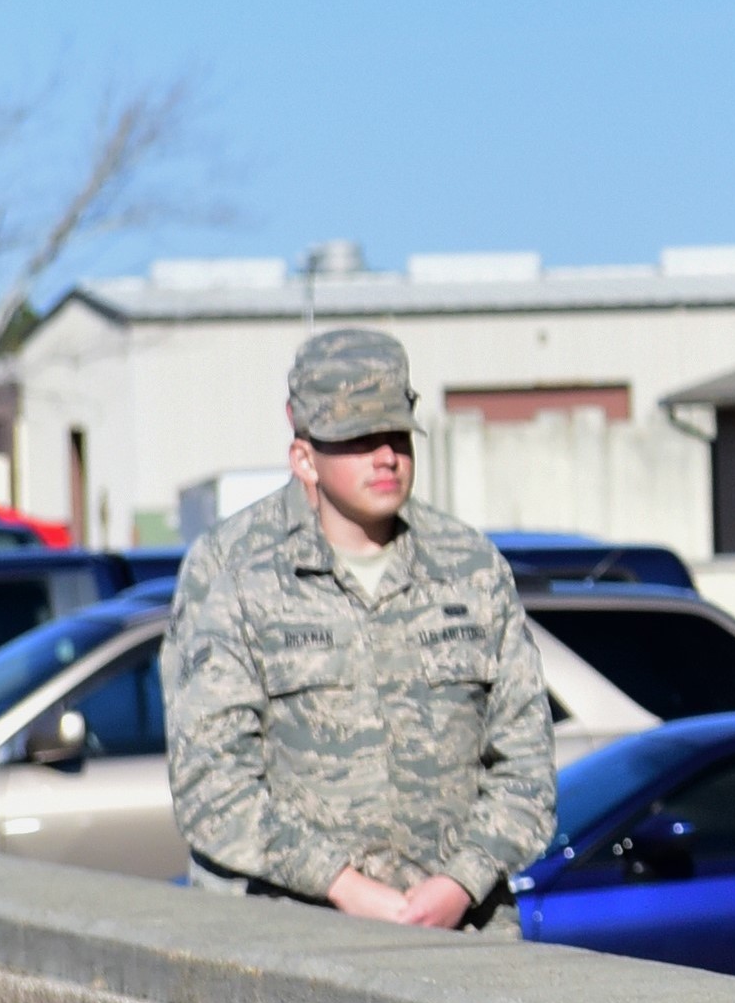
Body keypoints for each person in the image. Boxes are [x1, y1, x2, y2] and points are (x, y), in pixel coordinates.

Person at [165, 327, 556, 931]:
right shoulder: (235, 571)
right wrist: (343, 886)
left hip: (460, 934)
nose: (386, 457)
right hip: (300, 933)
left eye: (397, 436)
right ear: (304, 454)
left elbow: (525, 762)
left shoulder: (469, 567)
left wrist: (461, 880)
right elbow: (209, 778)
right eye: (359, 439)